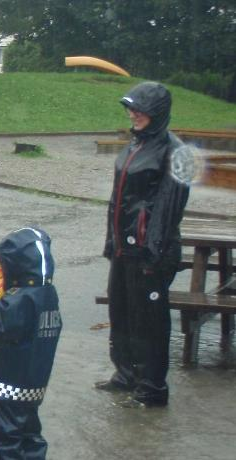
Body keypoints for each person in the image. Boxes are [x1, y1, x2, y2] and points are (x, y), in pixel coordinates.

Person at [97, 81, 190, 408]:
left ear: (157, 111)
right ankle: (125, 374)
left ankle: (152, 388)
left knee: (149, 320)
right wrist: (112, 241)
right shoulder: (134, 144)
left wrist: (153, 253)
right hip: (124, 249)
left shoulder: (178, 152)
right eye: (130, 108)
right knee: (121, 313)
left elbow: (170, 208)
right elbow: (117, 200)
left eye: (140, 109)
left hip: (152, 253)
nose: (132, 114)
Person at [0, 227, 62, 460]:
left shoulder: (21, 298)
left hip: (8, 384)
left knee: (4, 438)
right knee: (29, 434)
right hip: (33, 384)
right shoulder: (47, 293)